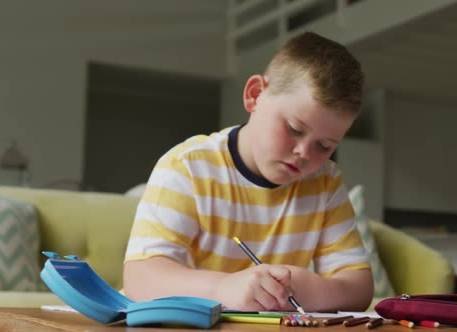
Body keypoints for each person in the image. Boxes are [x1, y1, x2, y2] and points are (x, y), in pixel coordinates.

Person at [123, 31, 373, 312]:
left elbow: (359, 287)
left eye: (324, 146)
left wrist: (306, 287)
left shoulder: (326, 182)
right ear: (255, 95)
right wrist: (223, 289)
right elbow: (140, 280)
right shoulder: (187, 166)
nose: (305, 153)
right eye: (294, 128)